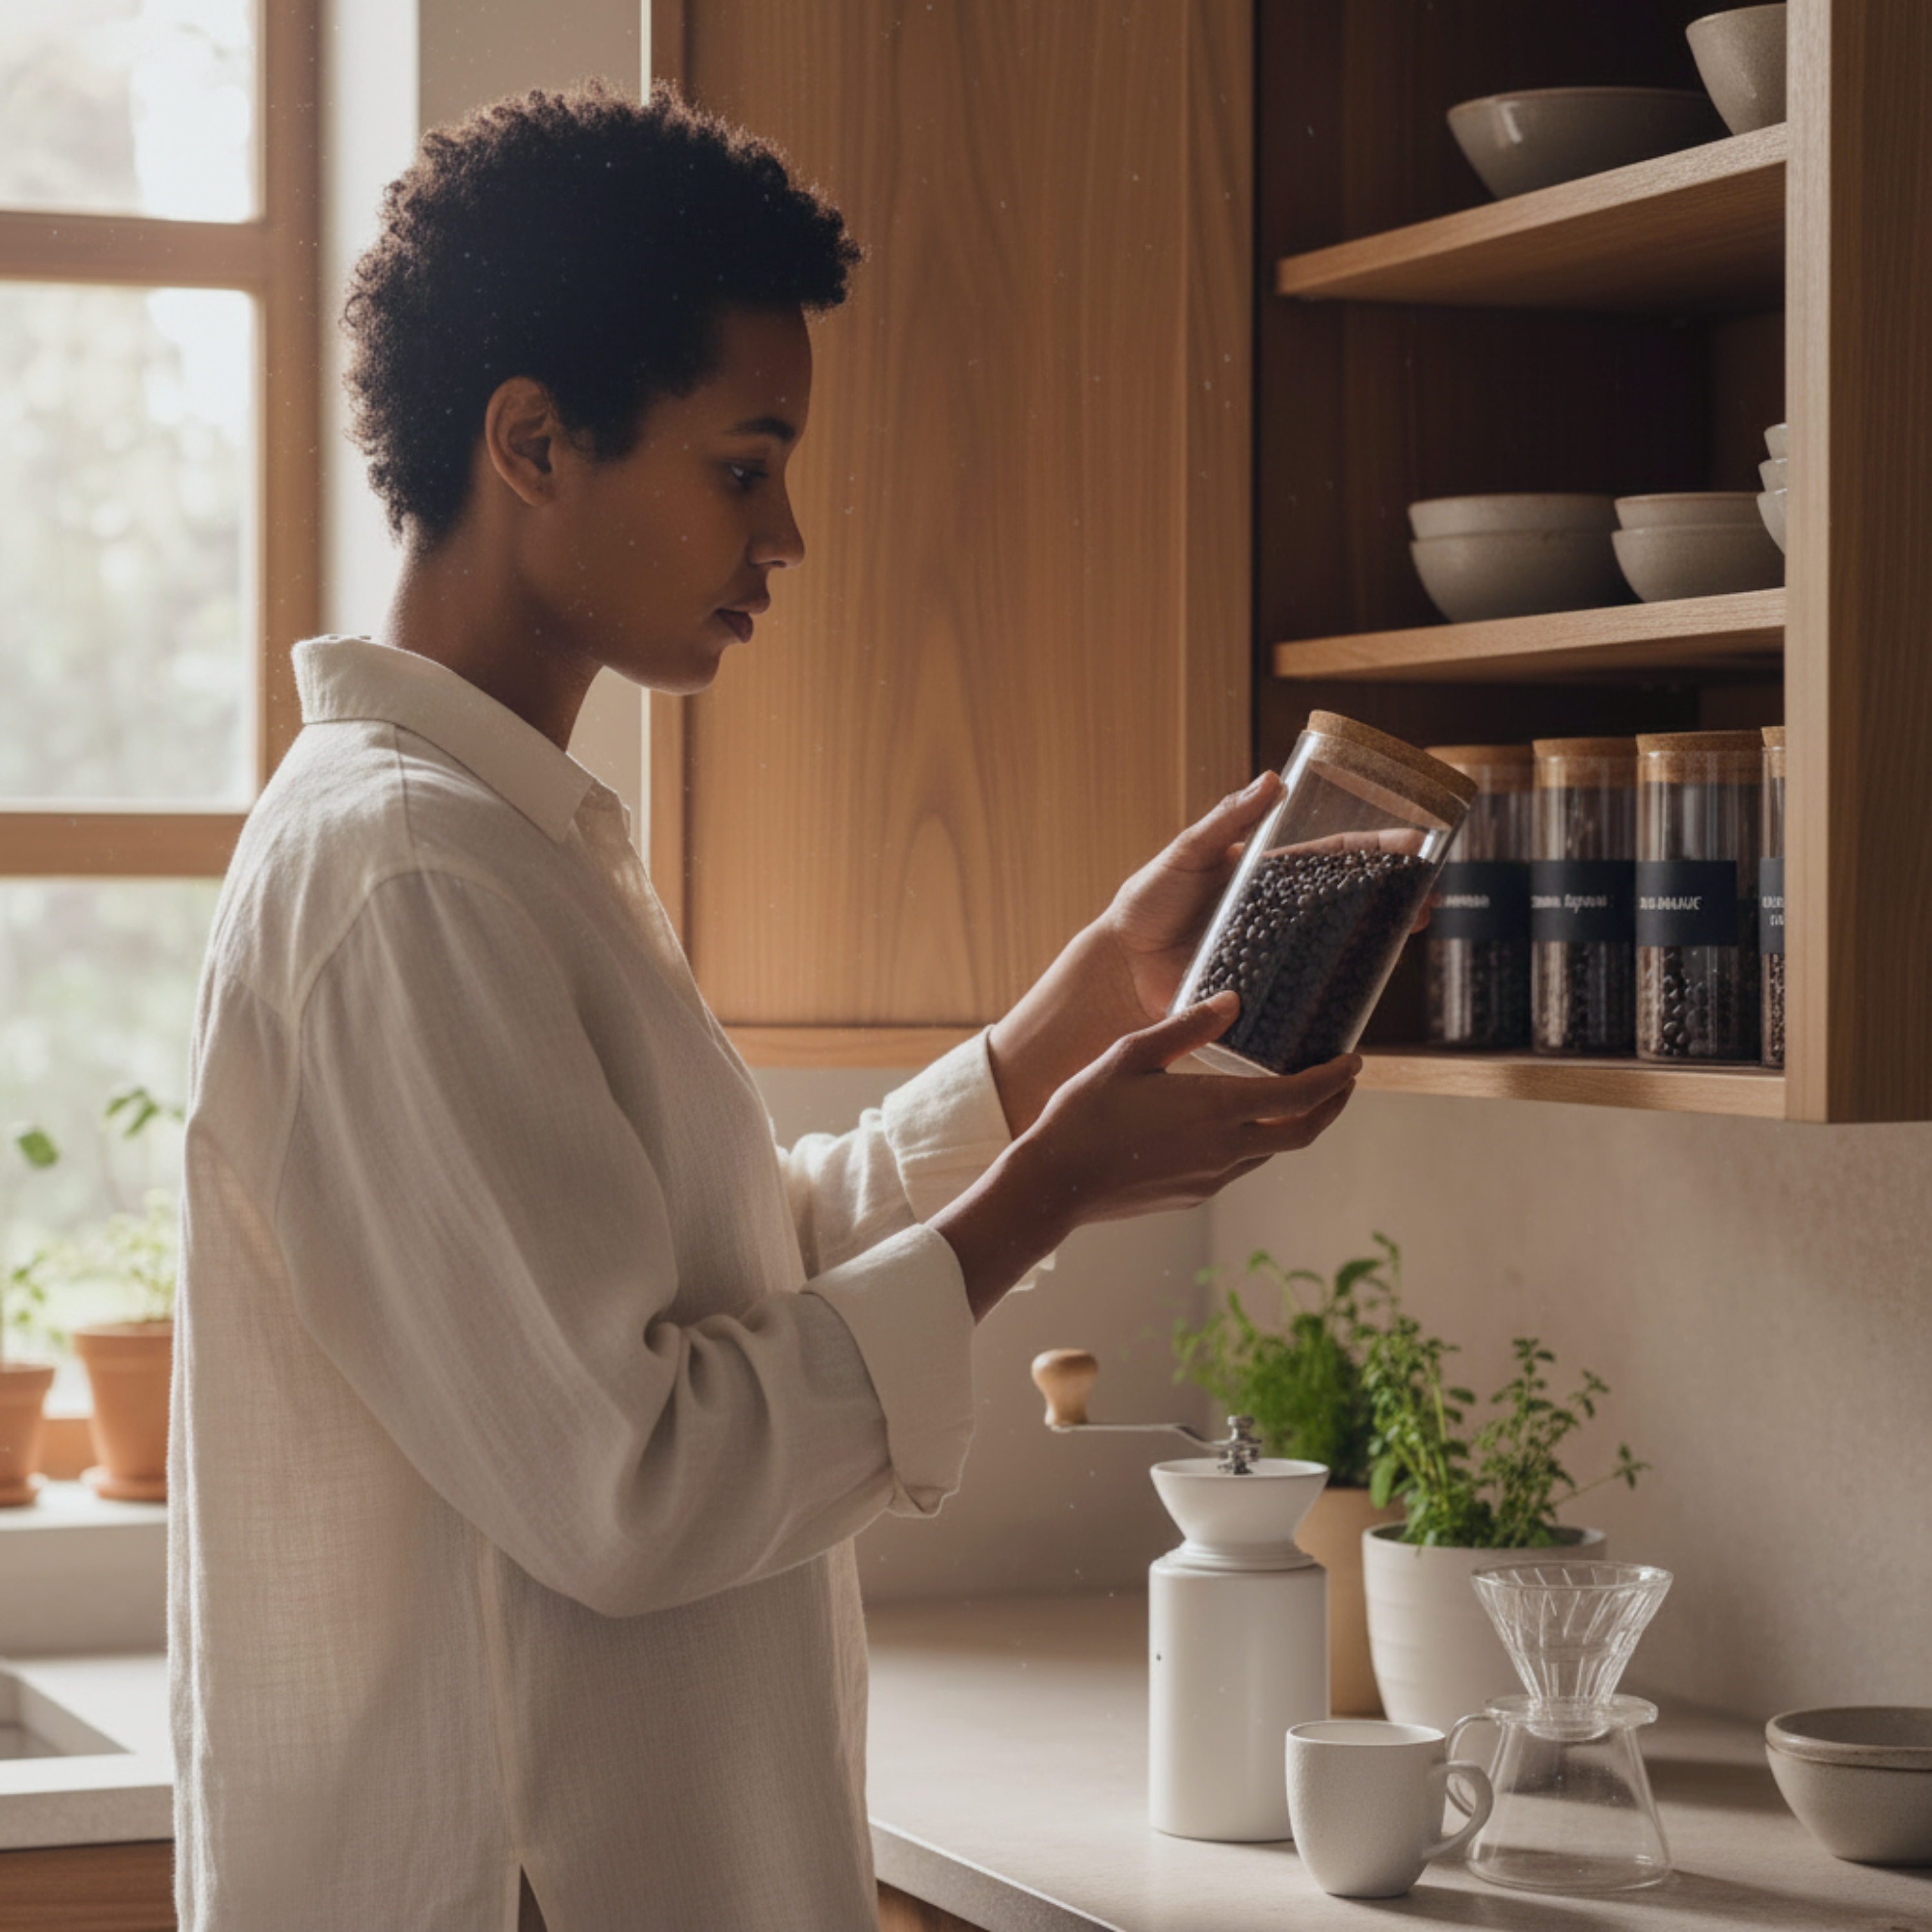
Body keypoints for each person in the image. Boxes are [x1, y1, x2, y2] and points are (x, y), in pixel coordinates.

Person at [167, 80, 1359, 1932]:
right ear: (535, 444)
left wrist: (1054, 1041)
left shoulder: (502, 844)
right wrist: (1041, 1190)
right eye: (744, 464)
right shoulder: (409, 878)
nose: (787, 535)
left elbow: (732, 1277)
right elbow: (636, 1483)